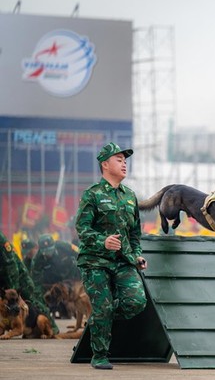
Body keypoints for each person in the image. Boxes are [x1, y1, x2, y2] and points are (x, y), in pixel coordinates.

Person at [75, 142, 147, 370]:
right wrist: (102, 241)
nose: (124, 163)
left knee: (136, 302)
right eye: (119, 159)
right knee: (103, 307)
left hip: (123, 262)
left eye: (125, 160)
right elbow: (82, 229)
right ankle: (99, 355)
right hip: (95, 262)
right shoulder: (92, 194)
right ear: (105, 164)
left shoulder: (129, 196)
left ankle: (99, 317)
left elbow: (135, 233)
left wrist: (136, 256)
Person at [0, 231, 59, 334]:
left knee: (33, 302)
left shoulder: (2, 240)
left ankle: (52, 328)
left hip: (19, 277)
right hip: (2, 277)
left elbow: (11, 266)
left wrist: (13, 291)